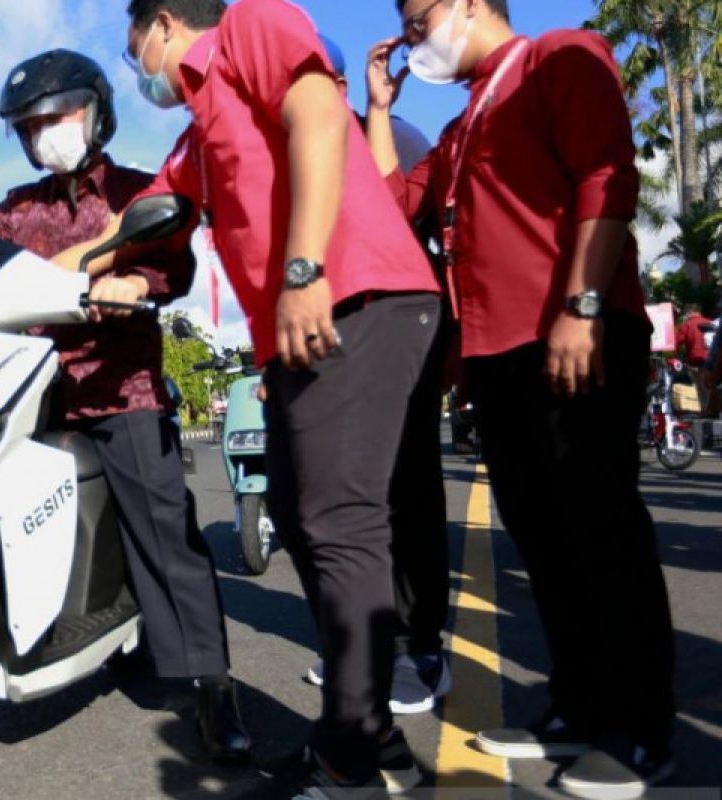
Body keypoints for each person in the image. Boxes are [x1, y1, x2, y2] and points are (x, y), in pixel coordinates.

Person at [56, 1, 442, 794]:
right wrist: (10, 281)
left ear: (160, 23)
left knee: (341, 526)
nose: (138, 67)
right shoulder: (198, 132)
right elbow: (137, 224)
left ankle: (349, 762)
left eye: (133, 48)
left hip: (355, 295)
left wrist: (303, 271)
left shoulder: (253, 28)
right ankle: (372, 737)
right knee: (304, 520)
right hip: (310, 326)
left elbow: (318, 119)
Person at [0, 49, 252, 762]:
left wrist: (137, 285)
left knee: (164, 533)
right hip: (28, 390)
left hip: (118, 393)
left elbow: (171, 255)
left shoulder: (137, 192)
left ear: (95, 113)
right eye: (32, 124)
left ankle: (211, 686)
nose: (46, 131)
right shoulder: (17, 209)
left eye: (57, 116)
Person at [365, 0, 676, 795]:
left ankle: (641, 729)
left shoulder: (556, 57)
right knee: (541, 539)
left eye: (418, 17)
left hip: (570, 330)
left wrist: (583, 305)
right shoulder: (461, 124)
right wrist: (377, 108)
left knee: (601, 531)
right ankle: (576, 706)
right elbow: (391, 204)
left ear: (472, 5)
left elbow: (607, 174)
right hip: (493, 354)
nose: (410, 36)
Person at [303, 35, 454, 719]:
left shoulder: (400, 136)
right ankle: (370, 641)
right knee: (349, 493)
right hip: (328, 331)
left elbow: (405, 212)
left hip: (398, 325)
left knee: (407, 488)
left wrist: (377, 113)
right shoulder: (292, 146)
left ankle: (422, 645)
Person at [675, 302, 713, 409]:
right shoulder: (710, 322)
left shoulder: (687, 325)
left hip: (695, 360)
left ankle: (705, 410)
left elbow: (677, 342)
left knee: (701, 387)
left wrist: (674, 356)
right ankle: (713, 408)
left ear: (689, 312)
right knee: (710, 385)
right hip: (712, 360)